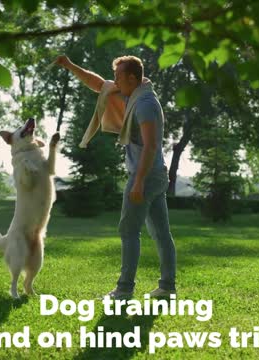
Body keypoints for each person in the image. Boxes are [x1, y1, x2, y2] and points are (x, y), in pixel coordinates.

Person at [55, 54, 176, 299]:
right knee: (161, 233)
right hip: (155, 174)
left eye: (118, 76)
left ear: (132, 77)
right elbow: (99, 85)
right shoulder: (134, 95)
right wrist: (70, 65)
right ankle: (167, 286)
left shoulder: (145, 104)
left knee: (129, 231)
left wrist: (139, 180)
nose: (114, 80)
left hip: (146, 174)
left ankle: (124, 290)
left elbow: (151, 146)